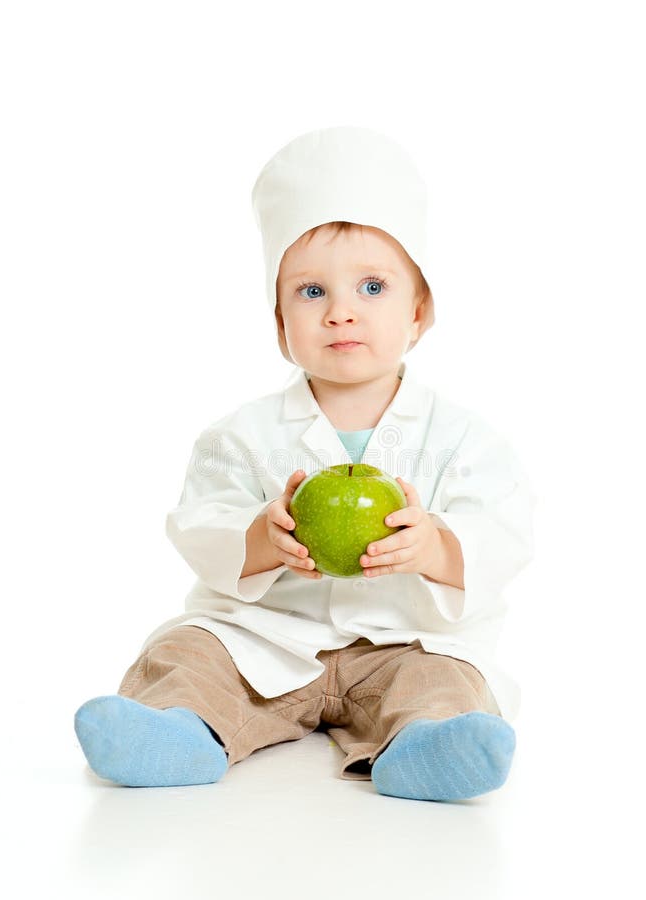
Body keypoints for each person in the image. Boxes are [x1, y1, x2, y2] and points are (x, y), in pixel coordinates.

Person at [74, 126, 536, 802]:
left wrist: (436, 546)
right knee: (191, 653)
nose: (341, 312)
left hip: (399, 642)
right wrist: (259, 538)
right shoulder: (240, 435)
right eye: (312, 293)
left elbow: (503, 531)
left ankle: (427, 746)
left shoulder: (466, 439)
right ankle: (176, 731)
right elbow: (199, 522)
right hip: (266, 636)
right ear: (278, 323)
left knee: (440, 681)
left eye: (372, 287)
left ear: (419, 311)